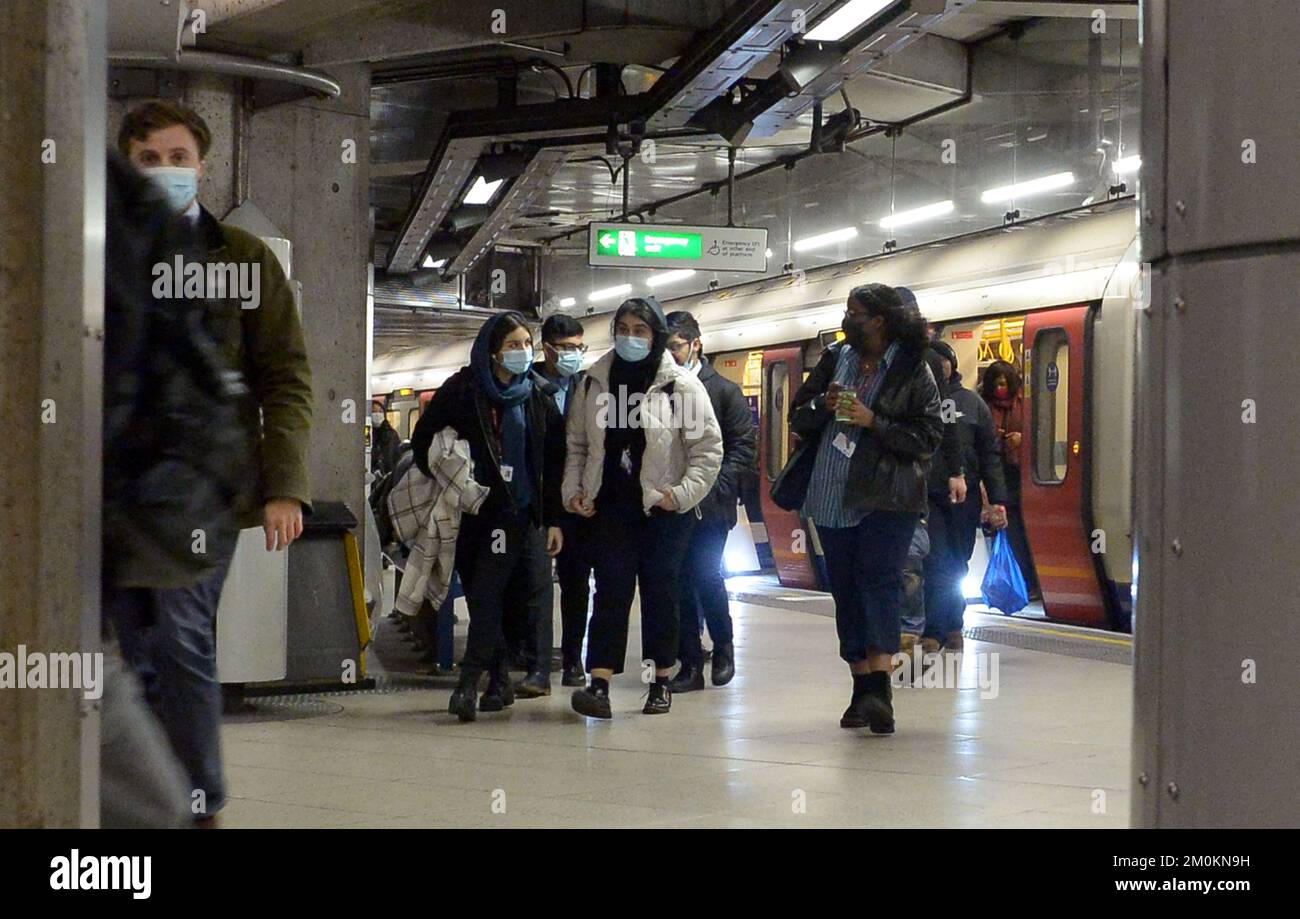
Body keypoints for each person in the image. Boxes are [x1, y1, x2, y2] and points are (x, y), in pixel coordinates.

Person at [117, 101, 314, 825]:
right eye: (148, 160)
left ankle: (200, 803)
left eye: (177, 158)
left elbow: (286, 375)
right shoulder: (100, 252)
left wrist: (285, 483)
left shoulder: (244, 259)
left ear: (203, 165)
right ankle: (138, 805)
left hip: (204, 491)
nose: (165, 171)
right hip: (115, 489)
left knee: (178, 632)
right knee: (125, 650)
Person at [789, 283, 942, 735]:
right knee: (847, 589)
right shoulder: (837, 358)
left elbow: (927, 437)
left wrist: (873, 422)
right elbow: (799, 414)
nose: (846, 318)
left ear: (878, 320)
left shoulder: (914, 368)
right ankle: (862, 688)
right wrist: (824, 404)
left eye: (854, 312)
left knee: (879, 582)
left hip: (888, 497)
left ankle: (880, 689)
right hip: (831, 493)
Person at [563, 297, 722, 719]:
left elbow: (707, 450)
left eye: (641, 330)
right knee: (611, 592)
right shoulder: (593, 383)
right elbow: (577, 447)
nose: (630, 338)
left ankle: (660, 681)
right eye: (624, 328)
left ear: (655, 337)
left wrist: (681, 494)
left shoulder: (680, 386)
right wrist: (576, 491)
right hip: (611, 506)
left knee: (660, 593)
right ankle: (599, 685)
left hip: (663, 511)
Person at [410, 311, 565, 722]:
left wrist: (554, 520)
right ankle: (497, 681)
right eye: (513, 345)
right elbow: (424, 439)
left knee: (492, 594)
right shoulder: (463, 389)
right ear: (493, 350)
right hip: (472, 513)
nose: (522, 353)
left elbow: (554, 461)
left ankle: (467, 684)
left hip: (519, 514)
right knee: (482, 600)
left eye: (526, 345)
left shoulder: (538, 396)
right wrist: (448, 474)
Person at [662, 311, 756, 692]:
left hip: (712, 504)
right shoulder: (659, 388)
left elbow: (743, 446)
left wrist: (718, 485)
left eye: (675, 347)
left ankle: (724, 645)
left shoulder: (724, 390)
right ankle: (689, 662)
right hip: (672, 503)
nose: (669, 355)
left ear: (695, 344)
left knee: (704, 574)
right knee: (679, 582)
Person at [921, 342, 1007, 654]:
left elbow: (989, 455)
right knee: (938, 560)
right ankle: (935, 630)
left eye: (943, 361)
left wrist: (998, 499)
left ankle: (954, 622)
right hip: (931, 494)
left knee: (959, 563)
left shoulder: (973, 405)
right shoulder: (923, 400)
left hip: (965, 499)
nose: (939, 366)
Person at [530, 313, 593, 688]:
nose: (574, 355)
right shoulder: (529, 386)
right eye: (567, 348)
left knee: (576, 584)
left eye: (579, 348)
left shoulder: (588, 386)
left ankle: (573, 659)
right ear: (548, 348)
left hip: (577, 505)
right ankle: (535, 660)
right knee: (535, 586)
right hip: (539, 502)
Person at [979, 359, 1038, 597]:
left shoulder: (1024, 404)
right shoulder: (982, 405)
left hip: (1021, 473)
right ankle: (1015, 584)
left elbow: (1039, 430)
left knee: (1022, 530)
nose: (1001, 387)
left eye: (1005, 382)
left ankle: (1028, 581)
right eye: (997, 383)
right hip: (994, 473)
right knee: (1008, 530)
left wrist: (1022, 439)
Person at [370, 401, 403, 477]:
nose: (377, 415)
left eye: (380, 412)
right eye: (374, 412)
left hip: (389, 477)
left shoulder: (392, 434)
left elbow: (397, 456)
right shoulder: (365, 434)